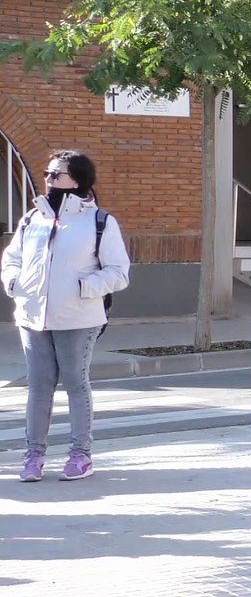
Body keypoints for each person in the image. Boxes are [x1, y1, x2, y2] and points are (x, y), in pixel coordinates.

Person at [3, 150, 130, 482]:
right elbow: (12, 258)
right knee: (39, 386)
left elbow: (119, 272)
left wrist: (84, 287)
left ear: (77, 181)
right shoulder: (33, 219)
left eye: (56, 174)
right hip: (32, 317)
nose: (48, 179)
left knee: (75, 383)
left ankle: (80, 455)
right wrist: (13, 281)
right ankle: (33, 456)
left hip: (78, 318)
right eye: (47, 173)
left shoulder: (100, 222)